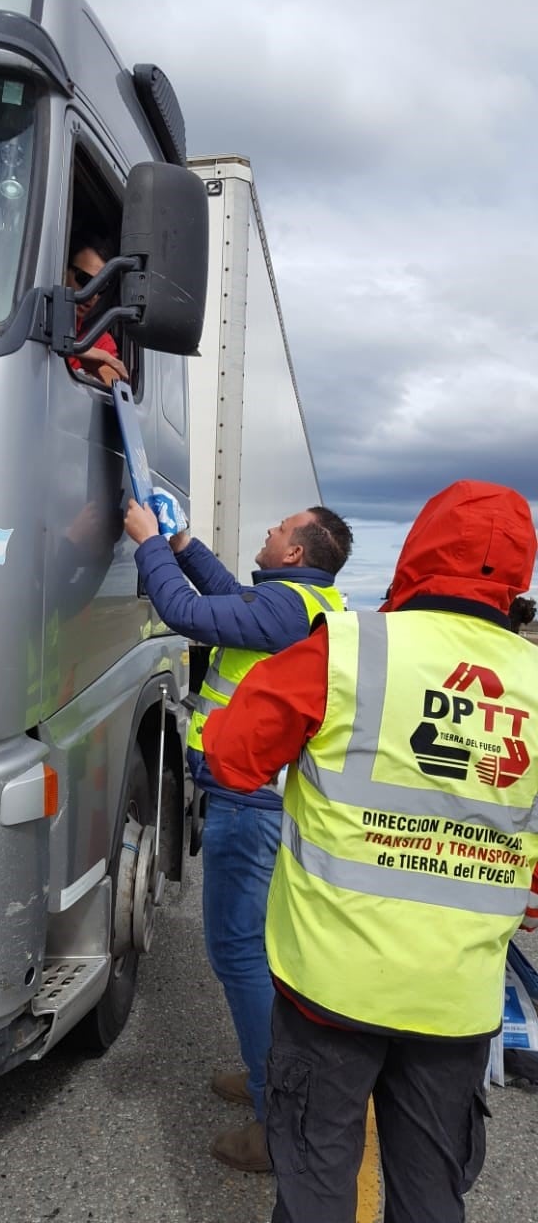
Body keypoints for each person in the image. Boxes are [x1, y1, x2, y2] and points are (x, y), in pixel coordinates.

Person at [202, 479, 538, 1223]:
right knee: (428, 1192)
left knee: (320, 1177)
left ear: (417, 552)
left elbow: (230, 756)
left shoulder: (349, 648)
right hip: (454, 999)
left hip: (330, 984)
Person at [124, 498, 352, 1172]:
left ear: (295, 555)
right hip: (261, 800)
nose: (268, 529)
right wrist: (187, 545)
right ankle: (270, 1080)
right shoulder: (305, 606)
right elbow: (226, 599)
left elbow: (190, 613)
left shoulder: (286, 611)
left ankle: (273, 1112)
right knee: (257, 955)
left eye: (278, 528)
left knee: (240, 956)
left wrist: (149, 545)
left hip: (248, 805)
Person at [65, 235, 129, 386]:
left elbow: (113, 385)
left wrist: (94, 369)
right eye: (84, 280)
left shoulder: (100, 342)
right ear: (63, 270)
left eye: (100, 287)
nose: (92, 295)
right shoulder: (30, 318)